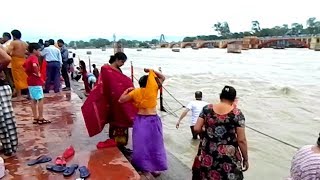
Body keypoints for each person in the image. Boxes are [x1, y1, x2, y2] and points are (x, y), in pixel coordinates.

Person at [192, 86, 248, 180]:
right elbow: (241, 140)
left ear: (220, 96)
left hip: (209, 153)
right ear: (234, 99)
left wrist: (209, 132)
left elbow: (196, 129)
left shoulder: (207, 108)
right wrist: (245, 159)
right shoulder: (237, 114)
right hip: (229, 157)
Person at [119, 68, 167, 175]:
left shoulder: (135, 92)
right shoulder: (153, 89)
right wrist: (152, 70)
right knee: (155, 144)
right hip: (153, 120)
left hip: (140, 120)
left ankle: (143, 166)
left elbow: (121, 100)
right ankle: (155, 168)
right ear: (152, 83)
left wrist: (126, 91)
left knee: (141, 145)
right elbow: (163, 77)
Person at [23, 43, 49, 125]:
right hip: (36, 81)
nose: (40, 52)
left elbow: (24, 66)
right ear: (34, 50)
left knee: (33, 99)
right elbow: (34, 66)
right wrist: (38, 75)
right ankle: (40, 117)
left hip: (30, 81)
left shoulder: (28, 58)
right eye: (38, 50)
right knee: (40, 99)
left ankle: (35, 117)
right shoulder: (34, 58)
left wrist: (30, 73)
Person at [0, 46, 18, 156]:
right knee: (5, 120)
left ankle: (9, 147)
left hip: (1, 88)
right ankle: (9, 146)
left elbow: (7, 58)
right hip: (4, 87)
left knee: (4, 121)